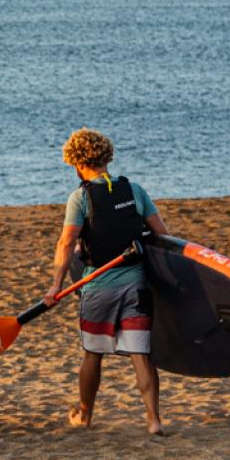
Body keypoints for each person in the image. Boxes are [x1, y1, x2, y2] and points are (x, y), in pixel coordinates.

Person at [44, 128, 171, 436]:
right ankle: (153, 420)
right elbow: (162, 234)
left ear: (76, 164)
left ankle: (85, 414)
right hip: (136, 286)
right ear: (106, 158)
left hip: (98, 288)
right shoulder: (134, 190)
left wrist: (56, 284)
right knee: (140, 355)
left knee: (93, 352)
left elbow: (66, 242)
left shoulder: (80, 197)